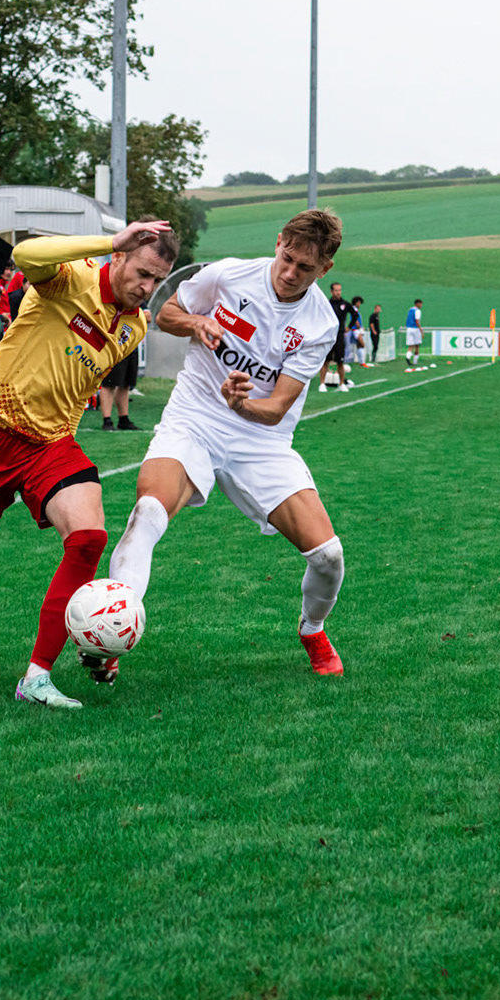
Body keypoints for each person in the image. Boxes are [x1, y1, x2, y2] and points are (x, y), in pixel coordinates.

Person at [0, 220, 178, 710]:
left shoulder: (134, 327)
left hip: (49, 445)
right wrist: (110, 239)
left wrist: (61, 437)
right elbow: (26, 255)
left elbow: (77, 384)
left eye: (157, 280)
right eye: (142, 273)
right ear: (119, 257)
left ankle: (37, 677)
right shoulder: (71, 278)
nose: (147, 287)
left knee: (89, 537)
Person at [105, 208, 350, 686]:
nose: (289, 272)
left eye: (304, 267)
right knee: (149, 511)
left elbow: (276, 409)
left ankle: (313, 629)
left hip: (261, 437)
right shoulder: (228, 275)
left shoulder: (320, 322)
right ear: (277, 241)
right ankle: (112, 633)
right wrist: (197, 322)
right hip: (194, 417)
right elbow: (166, 314)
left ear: (325, 269)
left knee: (328, 556)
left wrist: (241, 403)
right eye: (287, 258)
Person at [320, 281, 353, 391]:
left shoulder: (345, 304)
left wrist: (349, 327)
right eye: (336, 290)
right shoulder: (327, 304)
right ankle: (322, 384)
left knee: (340, 361)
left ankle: (342, 383)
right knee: (326, 361)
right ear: (331, 291)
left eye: (339, 290)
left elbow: (355, 315)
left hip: (340, 336)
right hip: (329, 336)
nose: (338, 292)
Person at [404, 299, 425, 370]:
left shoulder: (410, 310)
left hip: (409, 328)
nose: (421, 305)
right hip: (415, 329)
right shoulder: (417, 311)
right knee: (417, 345)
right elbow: (417, 321)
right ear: (417, 304)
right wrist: (421, 330)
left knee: (410, 345)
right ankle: (415, 361)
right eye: (420, 304)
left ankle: (408, 357)